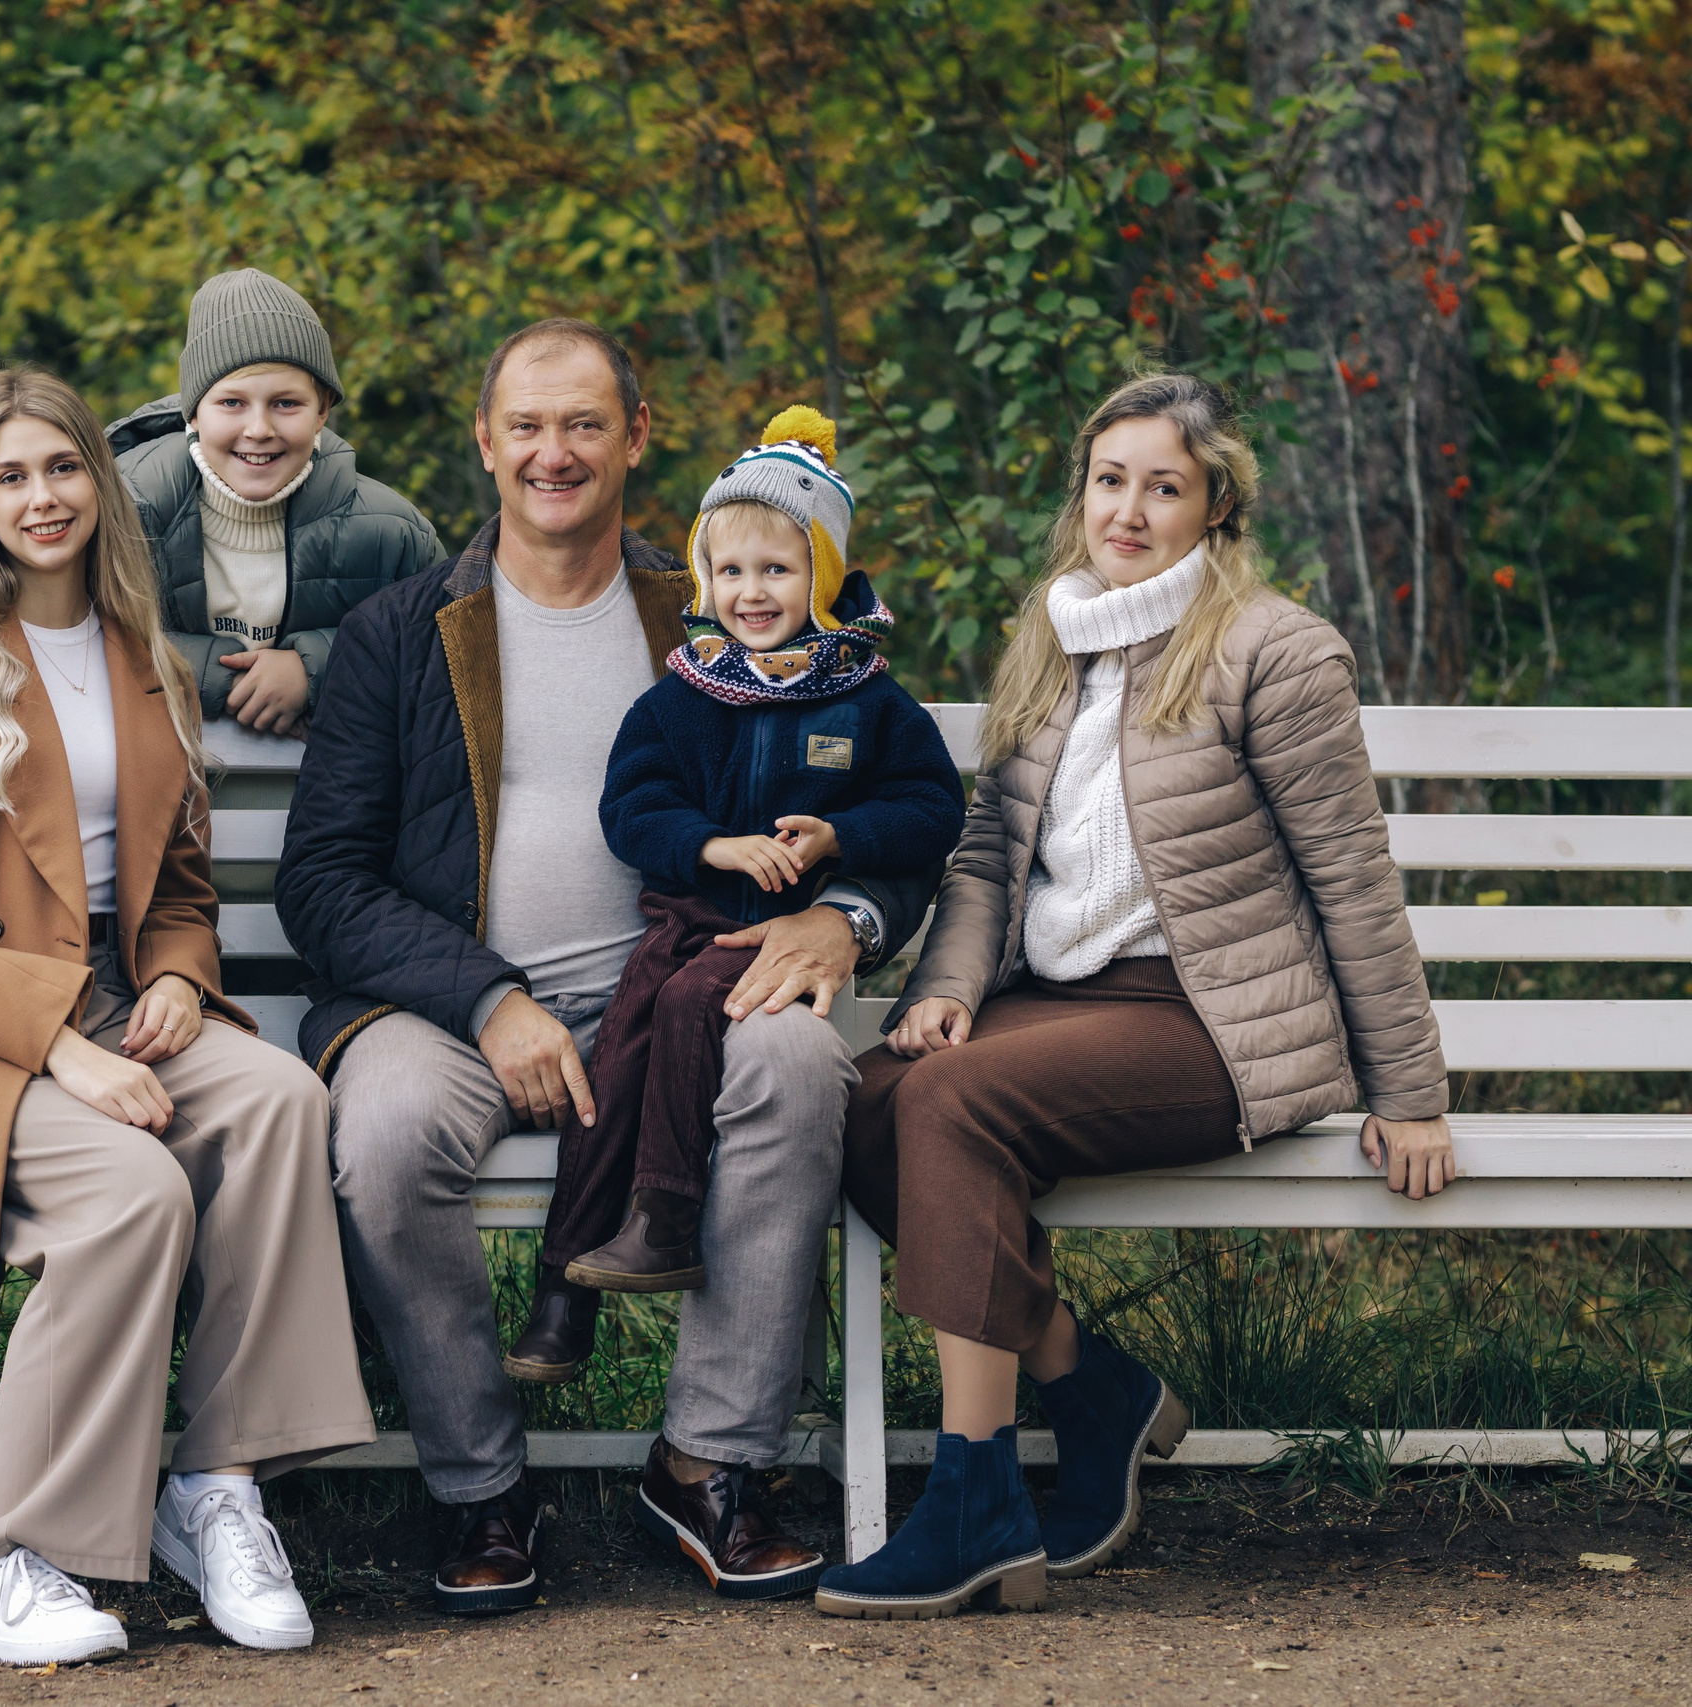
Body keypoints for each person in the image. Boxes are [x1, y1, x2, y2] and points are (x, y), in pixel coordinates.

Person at [278, 320, 941, 1611]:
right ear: (485, 442)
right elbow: (323, 880)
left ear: (636, 437)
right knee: (392, 1129)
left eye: (584, 423)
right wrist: (489, 999)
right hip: (448, 1006)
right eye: (526, 425)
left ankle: (708, 1462)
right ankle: (480, 1486)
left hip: (687, 982)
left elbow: (895, 801)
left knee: (798, 1063)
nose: (554, 452)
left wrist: (849, 919)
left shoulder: (732, 603)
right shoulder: (401, 632)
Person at [818, 373, 1457, 1621]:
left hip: (1206, 1021)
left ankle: (974, 1500)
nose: (1128, 509)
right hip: (1055, 1005)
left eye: (1163, 487)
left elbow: (1350, 875)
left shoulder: (1274, 650)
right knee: (872, 1098)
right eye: (1109, 480)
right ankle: (1089, 1387)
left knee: (948, 1109)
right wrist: (946, 991)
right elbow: (988, 857)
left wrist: (1410, 1092)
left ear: (1214, 505)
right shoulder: (1053, 636)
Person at [0, 366, 374, 1665]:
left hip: (116, 1004)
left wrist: (175, 975)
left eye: (62, 468)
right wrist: (60, 1046)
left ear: (100, 487)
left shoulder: (144, 657)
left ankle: (215, 1486)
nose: (42, 496)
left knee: (282, 1101)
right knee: (133, 1190)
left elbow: (177, 885)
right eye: (10, 476)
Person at [510, 406, 964, 1363]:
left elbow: (931, 808)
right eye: (730, 571)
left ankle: (665, 1219)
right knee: (614, 1060)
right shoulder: (684, 695)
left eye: (778, 570)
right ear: (704, 578)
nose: (751, 592)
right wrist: (711, 845)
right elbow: (631, 807)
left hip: (784, 935)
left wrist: (842, 834)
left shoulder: (866, 700)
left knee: (688, 1005)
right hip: (690, 915)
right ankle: (565, 1282)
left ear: (823, 577)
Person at [107, 268, 440, 738]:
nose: (259, 429)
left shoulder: (394, 532)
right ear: (193, 412)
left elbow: (438, 654)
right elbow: (75, 638)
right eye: (232, 403)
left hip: (330, 782)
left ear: (322, 410)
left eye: (286, 404)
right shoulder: (122, 513)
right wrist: (223, 678)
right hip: (159, 777)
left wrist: (315, 668)